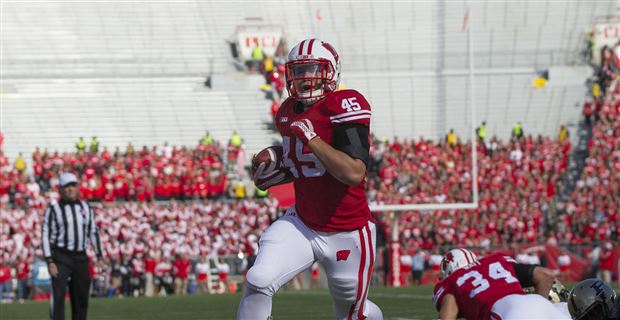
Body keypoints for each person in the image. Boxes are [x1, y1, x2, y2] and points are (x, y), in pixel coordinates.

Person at [238, 38, 383, 320]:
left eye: (312, 69)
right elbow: (304, 165)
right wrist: (272, 170)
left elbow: (353, 173)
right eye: (299, 70)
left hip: (348, 230)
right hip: (303, 223)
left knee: (352, 314)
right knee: (259, 278)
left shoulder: (344, 103)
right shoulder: (286, 112)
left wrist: (312, 139)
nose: (305, 77)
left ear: (332, 71)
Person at [432, 248, 568, 320]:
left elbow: (447, 318)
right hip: (543, 305)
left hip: (509, 313)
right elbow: (546, 274)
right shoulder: (497, 260)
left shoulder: (453, 281)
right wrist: (540, 305)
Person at [41, 172, 104, 320]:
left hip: (80, 257)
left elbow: (93, 231)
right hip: (61, 257)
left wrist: (99, 255)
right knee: (58, 298)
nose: (70, 189)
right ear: (60, 189)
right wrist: (49, 260)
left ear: (77, 187)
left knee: (81, 298)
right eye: (66, 186)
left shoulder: (85, 207)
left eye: (73, 185)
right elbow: (45, 235)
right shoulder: (53, 209)